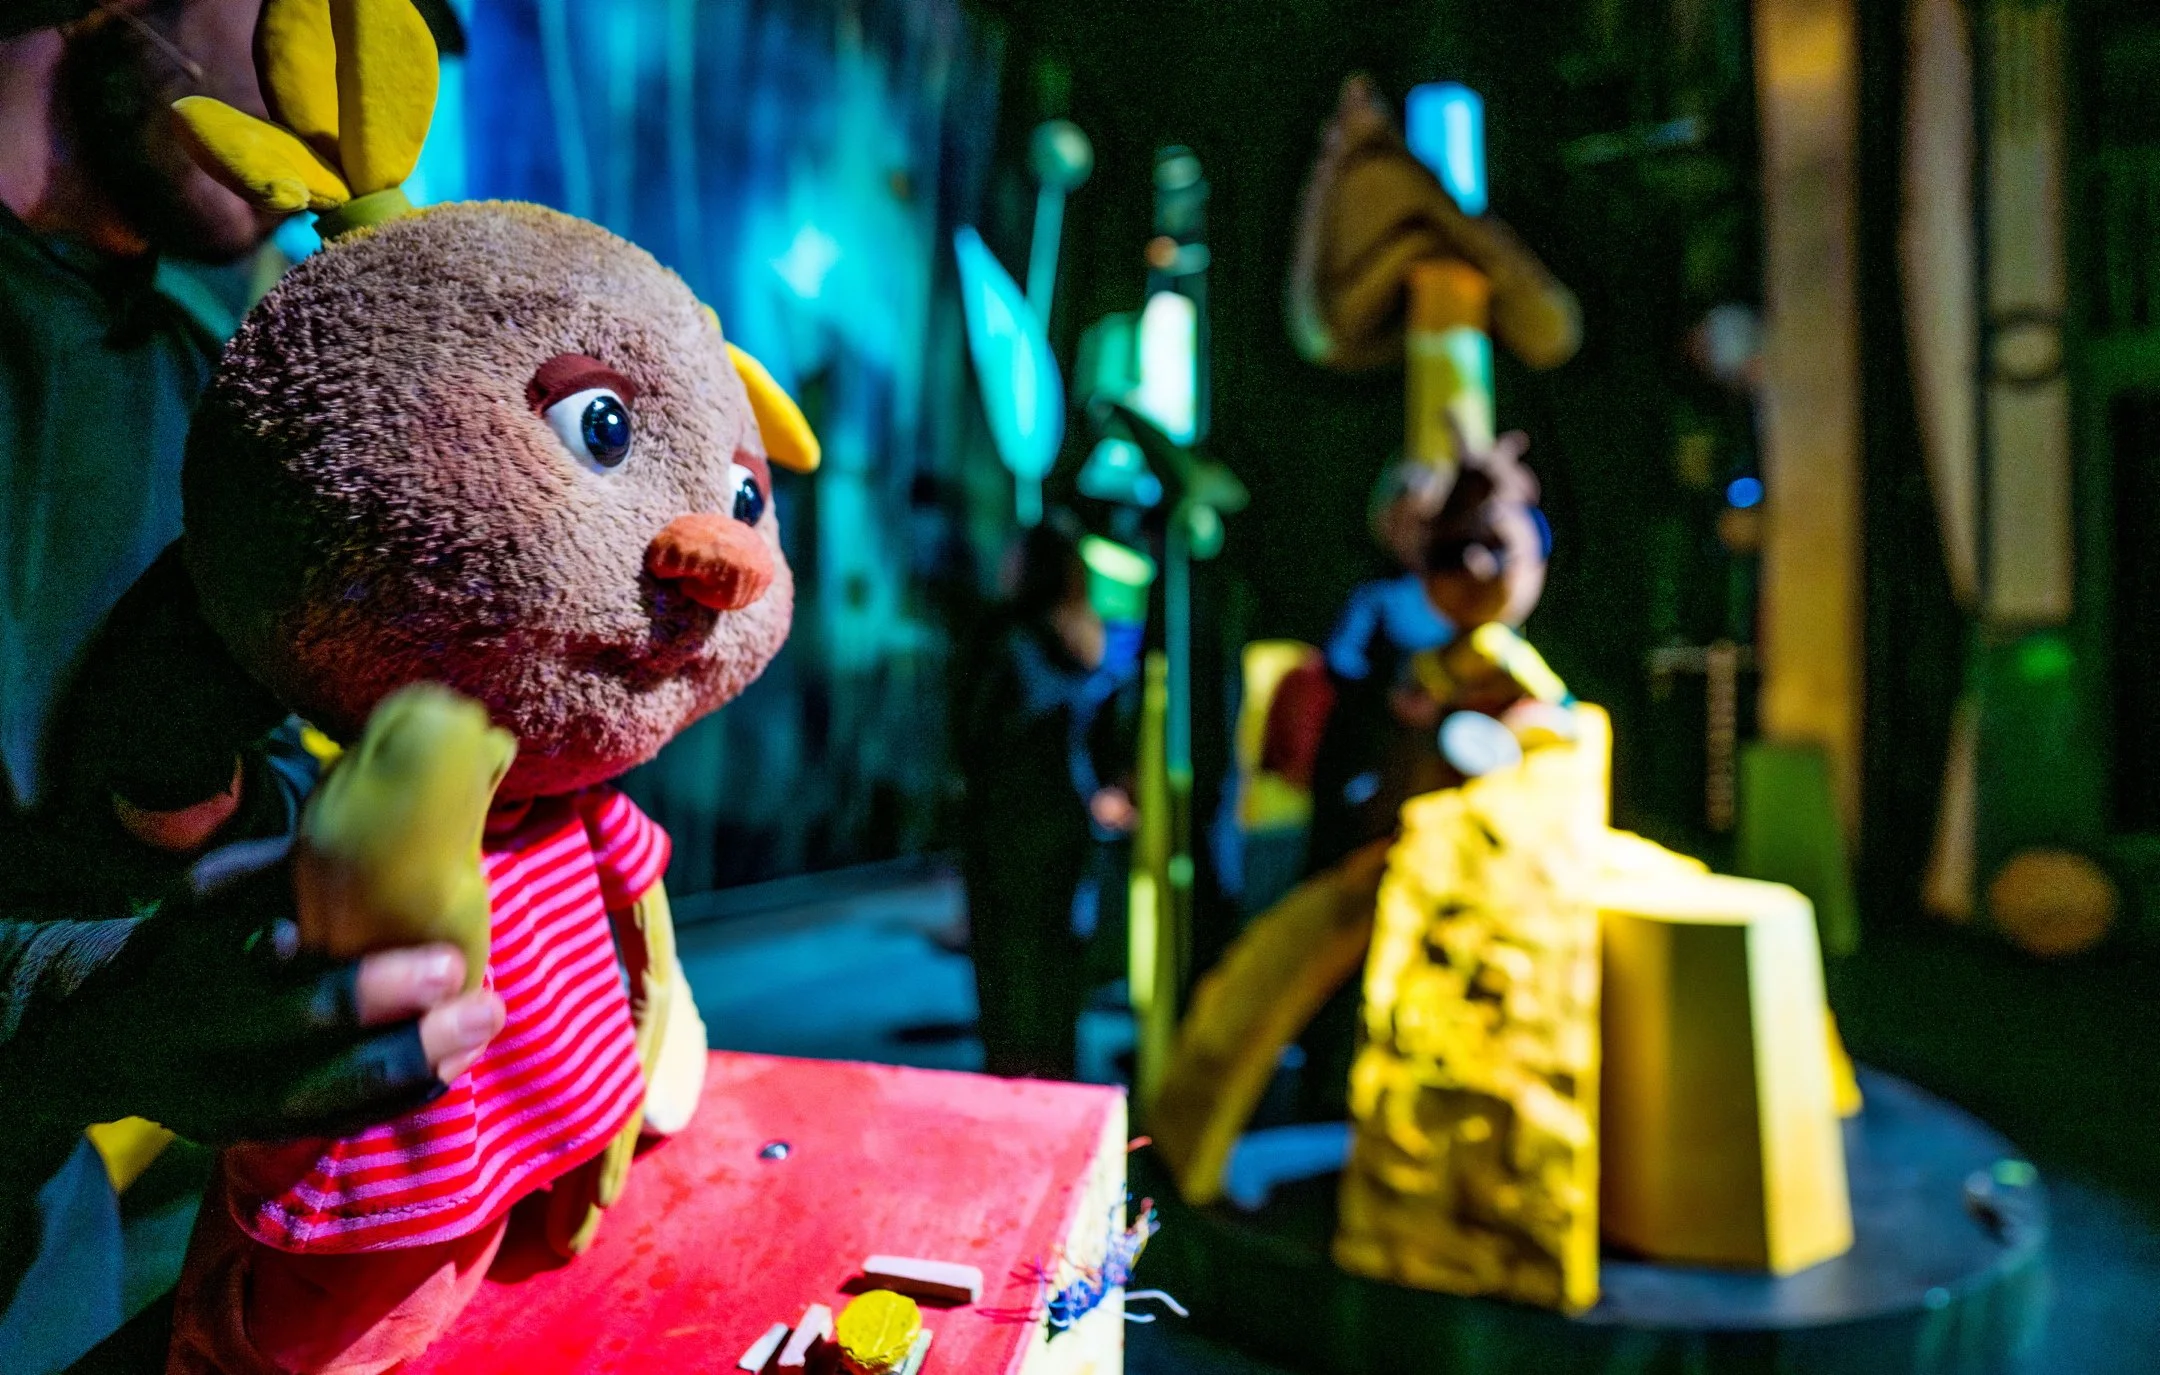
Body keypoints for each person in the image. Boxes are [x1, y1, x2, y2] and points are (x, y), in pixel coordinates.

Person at [0, 6, 496, 1369]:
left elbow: (259, 776)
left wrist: (192, 795)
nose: (355, 90)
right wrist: (62, 1008)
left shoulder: (211, 379)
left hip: (53, 1278)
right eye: (322, 13)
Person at [956, 515, 1138, 1080]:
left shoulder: (1003, 641)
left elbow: (974, 737)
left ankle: (1013, 1089)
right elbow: (1104, 740)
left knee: (1008, 975)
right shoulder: (1087, 643)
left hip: (1006, 831)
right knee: (1060, 966)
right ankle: (1059, 1083)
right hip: (1069, 829)